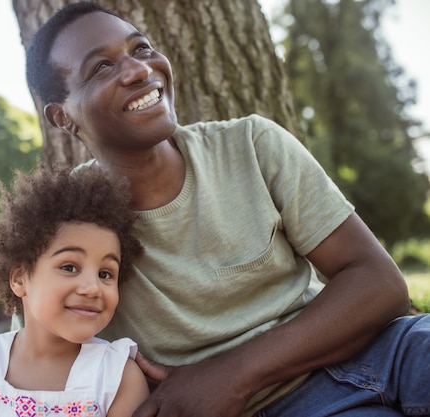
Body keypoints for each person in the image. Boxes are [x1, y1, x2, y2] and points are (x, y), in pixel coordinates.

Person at [24, 2, 430, 417]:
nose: (138, 71)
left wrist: (234, 374)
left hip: (376, 351)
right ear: (62, 117)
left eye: (141, 49)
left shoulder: (251, 145)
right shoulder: (64, 222)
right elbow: (36, 367)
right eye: (101, 68)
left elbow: (379, 283)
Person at [0, 166, 148, 417]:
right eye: (69, 267)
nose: (92, 288)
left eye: (105, 274)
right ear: (19, 279)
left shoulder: (116, 379)